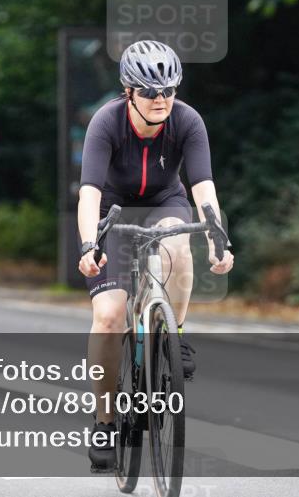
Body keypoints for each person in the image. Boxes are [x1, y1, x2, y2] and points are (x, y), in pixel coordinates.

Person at [76, 41, 233, 471]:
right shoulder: (106, 123)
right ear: (129, 92)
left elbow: (203, 187)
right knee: (109, 317)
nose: (161, 100)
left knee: (179, 243)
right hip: (114, 211)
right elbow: (88, 192)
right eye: (149, 92)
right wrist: (89, 244)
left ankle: (174, 333)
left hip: (166, 202)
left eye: (168, 91)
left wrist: (219, 237)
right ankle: (105, 422)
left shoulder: (187, 120)